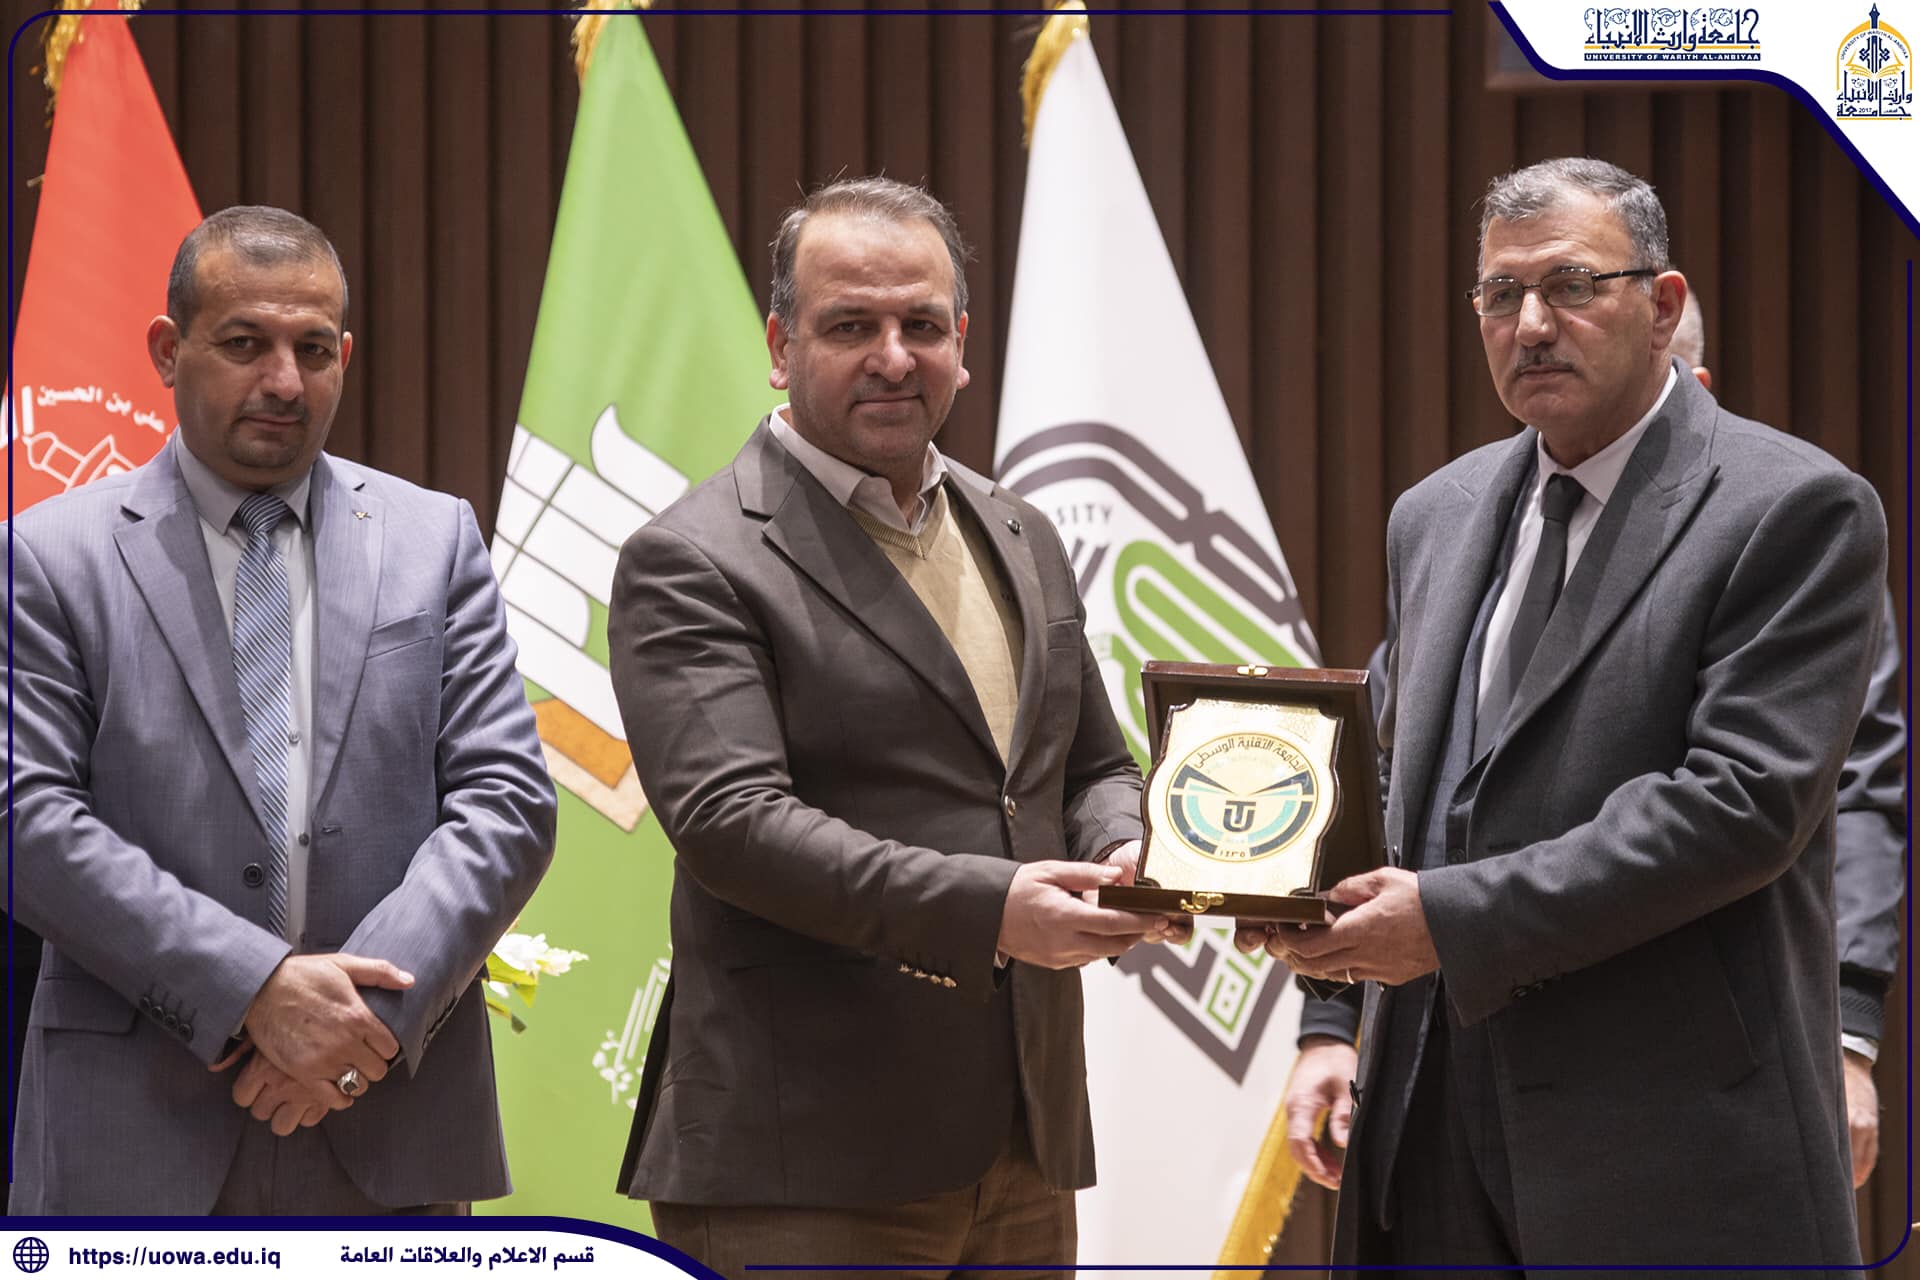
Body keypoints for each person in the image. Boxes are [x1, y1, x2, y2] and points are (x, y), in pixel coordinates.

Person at [1256, 158, 1884, 1269]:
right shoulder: (1435, 514)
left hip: (1663, 1134)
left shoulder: (1792, 507)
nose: (1532, 325)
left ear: (1664, 306)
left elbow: (1738, 806)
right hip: (1425, 1115)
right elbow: (1401, 781)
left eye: (1573, 285)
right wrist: (1304, 940)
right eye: (1501, 294)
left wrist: (1448, 921)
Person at [607, 177, 1169, 1277]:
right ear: (782, 346)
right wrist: (993, 908)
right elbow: (733, 824)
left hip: (1025, 1139)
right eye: (850, 326)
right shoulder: (694, 557)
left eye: (922, 325)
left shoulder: (1019, 527)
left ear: (963, 344)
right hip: (806, 1156)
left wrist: (1127, 845)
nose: (894, 357)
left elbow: (1089, 763)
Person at [6, 206, 557, 1215]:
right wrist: (253, 988)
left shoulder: (434, 540)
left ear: (345, 354)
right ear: (167, 351)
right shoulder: (47, 557)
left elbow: (508, 800)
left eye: (312, 349)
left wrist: (357, 1027)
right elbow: (24, 820)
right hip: (134, 1138)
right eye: (243, 344)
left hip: (385, 1127)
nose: (284, 382)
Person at [1670, 288, 1908, 1190]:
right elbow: (1405, 760)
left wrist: (1847, 1031)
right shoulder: (1500, 526)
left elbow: (1860, 790)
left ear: (1697, 388)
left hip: (1745, 1035)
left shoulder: (1797, 527)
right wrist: (1334, 1017)